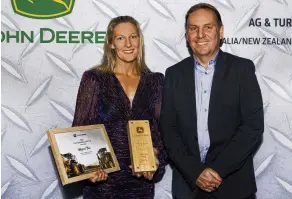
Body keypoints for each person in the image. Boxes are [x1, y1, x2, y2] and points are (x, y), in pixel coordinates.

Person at [160, 3, 264, 199]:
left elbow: (252, 127)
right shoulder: (173, 74)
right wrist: (195, 172)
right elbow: (169, 129)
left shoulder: (242, 70)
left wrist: (216, 171)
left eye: (208, 27)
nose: (200, 35)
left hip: (234, 187)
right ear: (186, 34)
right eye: (193, 28)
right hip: (188, 187)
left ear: (221, 31)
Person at [72, 16, 168, 199]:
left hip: (141, 184)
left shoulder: (155, 81)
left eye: (133, 36)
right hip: (103, 185)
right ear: (111, 44)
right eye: (120, 38)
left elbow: (162, 132)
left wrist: (156, 161)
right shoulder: (95, 78)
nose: (128, 44)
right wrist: (89, 167)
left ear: (140, 40)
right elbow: (81, 129)